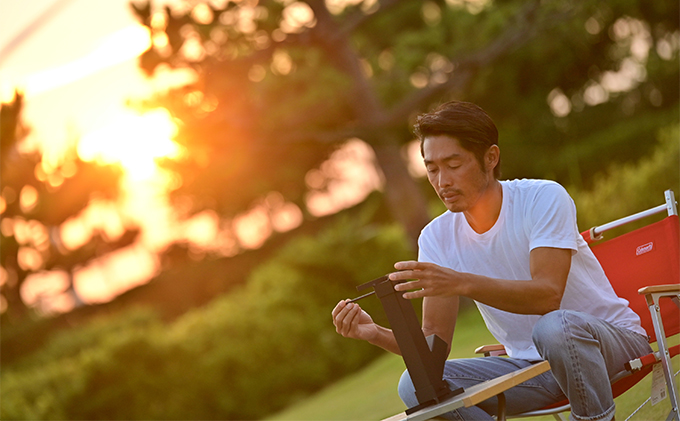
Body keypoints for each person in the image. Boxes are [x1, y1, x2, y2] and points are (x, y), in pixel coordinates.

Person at [331, 101, 652, 421]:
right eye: (431, 169)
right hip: (534, 369)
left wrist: (462, 282)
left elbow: (547, 296)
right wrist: (375, 333)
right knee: (414, 385)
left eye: (453, 165)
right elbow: (432, 351)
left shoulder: (543, 198)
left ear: (490, 157)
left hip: (610, 349)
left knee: (556, 327)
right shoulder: (436, 238)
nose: (442, 181)